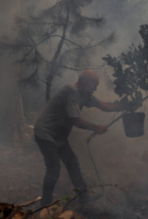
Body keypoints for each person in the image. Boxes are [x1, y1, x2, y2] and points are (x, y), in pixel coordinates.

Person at [34, 70, 123, 206]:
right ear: (87, 83)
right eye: (95, 85)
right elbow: (76, 120)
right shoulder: (72, 91)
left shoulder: (85, 94)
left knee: (72, 163)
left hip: (59, 136)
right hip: (45, 133)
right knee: (54, 168)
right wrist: (96, 127)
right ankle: (45, 204)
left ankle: (83, 198)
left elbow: (104, 106)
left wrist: (125, 106)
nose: (96, 88)